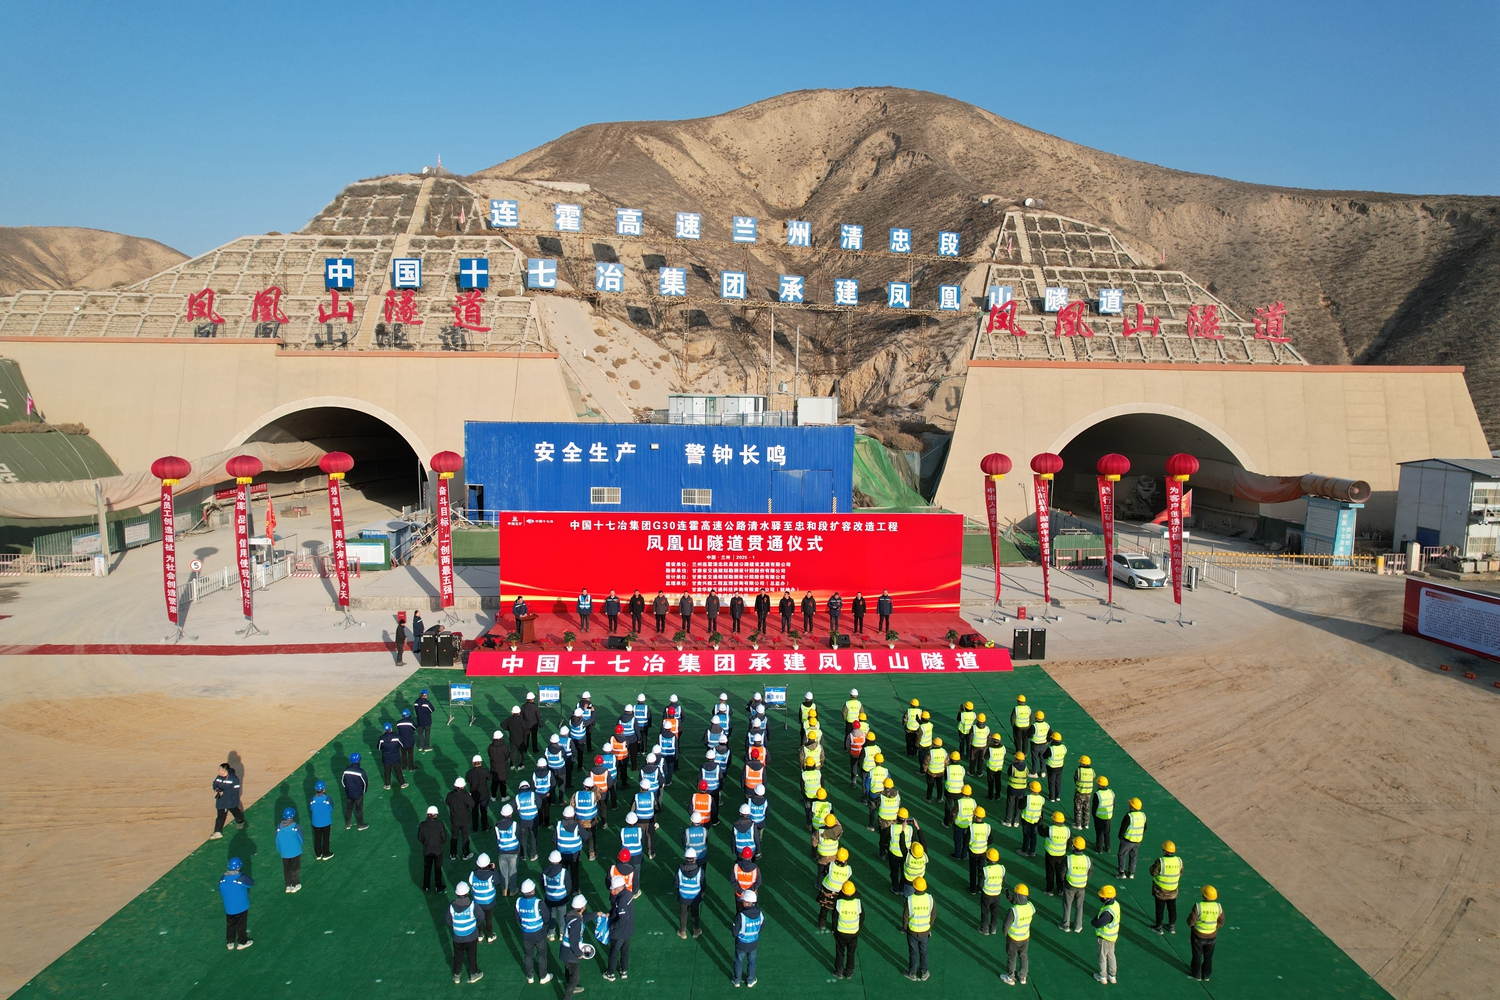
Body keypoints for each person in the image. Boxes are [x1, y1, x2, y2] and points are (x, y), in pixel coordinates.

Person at [516, 879, 553, 984]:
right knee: (542, 955)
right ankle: (543, 976)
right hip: (539, 933)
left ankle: (530, 976)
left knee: (528, 955)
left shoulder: (518, 901)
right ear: (533, 890)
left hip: (526, 934)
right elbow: (546, 917)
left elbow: (517, 917)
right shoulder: (538, 903)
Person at [998, 883, 1034, 986]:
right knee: (1023, 956)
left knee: (1012, 958)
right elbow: (1021, 906)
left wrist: (1005, 934)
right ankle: (1023, 976)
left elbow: (1006, 926)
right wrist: (1011, 900)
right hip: (1025, 938)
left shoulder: (1013, 911)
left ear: (1017, 895)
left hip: (1013, 939)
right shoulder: (1030, 906)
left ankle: (1010, 977)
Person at [449, 882, 484, 984]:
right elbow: (481, 917)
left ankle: (456, 975)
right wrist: (474, 925)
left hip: (457, 937)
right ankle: (473, 973)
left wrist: (456, 926)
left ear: (456, 893)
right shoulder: (473, 905)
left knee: (458, 955)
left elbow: (448, 920)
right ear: (468, 893)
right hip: (471, 936)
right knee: (472, 955)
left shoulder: (451, 906)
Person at [1187, 885, 1224, 981]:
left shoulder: (1198, 906)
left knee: (1197, 955)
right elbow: (1221, 921)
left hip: (1198, 935)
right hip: (1212, 936)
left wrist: (1192, 926)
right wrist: (1214, 927)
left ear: (1204, 896)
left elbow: (1191, 921)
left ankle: (1196, 974)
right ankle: (1206, 975)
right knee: (1208, 956)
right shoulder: (1218, 907)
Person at [902, 875, 934, 981]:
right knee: (923, 951)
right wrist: (929, 926)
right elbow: (933, 914)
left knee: (913, 952)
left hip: (912, 931)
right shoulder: (930, 898)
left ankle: (912, 973)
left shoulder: (910, 900)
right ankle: (924, 972)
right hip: (925, 931)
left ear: (914, 887)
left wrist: (905, 928)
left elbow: (905, 916)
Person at [603, 875, 635, 981]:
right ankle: (624, 970)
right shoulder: (628, 894)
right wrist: (610, 912)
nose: (613, 891)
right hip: (627, 931)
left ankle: (610, 973)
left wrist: (613, 926)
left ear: (620, 887)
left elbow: (624, 917)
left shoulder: (621, 899)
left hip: (619, 933)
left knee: (613, 953)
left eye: (614, 889)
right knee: (625, 951)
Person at [218, 857, 254, 951]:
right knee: (241, 924)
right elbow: (251, 883)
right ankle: (242, 942)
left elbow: (220, 889)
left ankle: (230, 942)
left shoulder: (222, 879)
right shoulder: (241, 878)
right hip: (241, 906)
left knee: (230, 924)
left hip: (229, 908)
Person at [1149, 840, 1183, 934]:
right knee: (1172, 908)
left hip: (1160, 890)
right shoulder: (1179, 861)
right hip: (1173, 890)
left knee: (1160, 909)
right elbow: (1180, 872)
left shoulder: (1161, 861)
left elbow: (1153, 872)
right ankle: (1171, 926)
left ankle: (1159, 927)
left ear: (1164, 851)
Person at [732, 889, 763, 987]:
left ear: (747, 903)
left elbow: (734, 932)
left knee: (739, 961)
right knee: (752, 962)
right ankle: (750, 980)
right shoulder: (760, 913)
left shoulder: (741, 916)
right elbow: (761, 926)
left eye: (744, 901)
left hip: (741, 944)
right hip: (753, 943)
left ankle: (737, 980)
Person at [560, 894, 589, 996]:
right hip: (571, 954)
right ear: (583, 907)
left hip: (564, 951)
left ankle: (570, 986)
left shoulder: (571, 916)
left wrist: (595, 914)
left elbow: (583, 918)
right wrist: (579, 954)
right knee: (575, 978)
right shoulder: (576, 923)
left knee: (568, 971)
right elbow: (573, 943)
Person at [1091, 884, 1121, 985]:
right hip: (1113, 936)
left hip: (1105, 938)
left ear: (1107, 898)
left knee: (1102, 956)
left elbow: (1098, 923)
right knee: (1111, 955)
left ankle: (1102, 976)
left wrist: (1094, 922)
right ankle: (1112, 975)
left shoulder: (1107, 912)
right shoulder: (1115, 905)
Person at [816, 847, 851, 930]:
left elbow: (824, 873)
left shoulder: (830, 865)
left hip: (827, 890)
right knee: (836, 910)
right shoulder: (848, 869)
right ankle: (834, 927)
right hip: (839, 892)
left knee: (824, 908)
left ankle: (821, 924)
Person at [832, 880, 862, 978]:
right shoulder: (857, 902)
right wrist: (858, 928)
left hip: (841, 932)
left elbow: (834, 917)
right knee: (851, 953)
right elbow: (862, 916)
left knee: (840, 952)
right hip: (853, 932)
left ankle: (839, 971)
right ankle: (849, 972)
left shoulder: (839, 902)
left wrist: (834, 929)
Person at [1062, 836, 1092, 931]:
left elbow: (1062, 872)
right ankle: (1078, 926)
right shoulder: (1087, 859)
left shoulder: (1068, 859)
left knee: (1067, 905)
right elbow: (1090, 872)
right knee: (1079, 906)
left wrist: (1063, 881)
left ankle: (1065, 925)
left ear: (1074, 847)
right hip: (1082, 886)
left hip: (1070, 886)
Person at [887, 808, 920, 893]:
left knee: (894, 872)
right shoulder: (910, 829)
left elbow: (887, 840)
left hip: (893, 854)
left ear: (897, 817)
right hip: (905, 854)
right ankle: (901, 888)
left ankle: (895, 888)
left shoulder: (891, 828)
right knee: (904, 872)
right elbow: (914, 842)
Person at [676, 847, 705, 938]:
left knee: (683, 914)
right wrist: (702, 892)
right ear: (694, 859)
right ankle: (696, 930)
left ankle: (683, 931)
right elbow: (703, 883)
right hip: (695, 897)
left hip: (683, 896)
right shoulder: (700, 871)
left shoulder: (680, 870)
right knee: (695, 913)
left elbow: (676, 883)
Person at [210, 762, 245, 839]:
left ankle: (240, 821)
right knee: (220, 816)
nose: (218, 771)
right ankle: (217, 832)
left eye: (219, 770)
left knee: (235, 811)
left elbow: (235, 791)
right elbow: (214, 784)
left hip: (231, 801)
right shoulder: (219, 777)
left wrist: (224, 793)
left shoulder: (234, 779)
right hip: (221, 801)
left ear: (224, 771)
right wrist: (217, 789)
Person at [544, 851, 573, 938]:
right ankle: (562, 933)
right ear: (560, 860)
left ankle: (551, 933)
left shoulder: (545, 871)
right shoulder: (564, 872)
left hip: (549, 899)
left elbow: (542, 885)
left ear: (550, 860)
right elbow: (568, 886)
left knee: (551, 916)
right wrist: (566, 894)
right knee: (562, 916)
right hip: (562, 899)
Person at [470, 854, 498, 942]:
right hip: (489, 901)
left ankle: (479, 935)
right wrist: (494, 870)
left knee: (479, 918)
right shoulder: (491, 874)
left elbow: (470, 882)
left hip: (477, 901)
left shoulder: (472, 874)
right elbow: (497, 882)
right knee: (488, 919)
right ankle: (490, 936)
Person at [418, 804, 447, 891]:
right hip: (438, 850)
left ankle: (426, 886)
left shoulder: (422, 825)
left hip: (427, 850)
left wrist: (426, 843)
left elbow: (419, 837)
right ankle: (438, 886)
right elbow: (444, 838)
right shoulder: (439, 825)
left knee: (427, 869)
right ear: (435, 815)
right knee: (437, 868)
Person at [275, 807, 303, 892]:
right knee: (295, 869)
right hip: (295, 851)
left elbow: (277, 840)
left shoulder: (279, 828)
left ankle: (288, 885)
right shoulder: (296, 827)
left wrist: (280, 850)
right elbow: (301, 839)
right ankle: (295, 884)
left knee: (287, 869)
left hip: (284, 853)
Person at [494, 803, 521, 894]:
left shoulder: (497, 826)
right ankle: (512, 890)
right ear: (511, 814)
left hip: (502, 851)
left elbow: (497, 838)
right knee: (512, 871)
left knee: (503, 871)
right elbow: (519, 836)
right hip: (513, 851)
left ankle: (504, 889)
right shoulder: (514, 825)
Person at [978, 848, 1006, 934]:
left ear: (988, 859)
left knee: (985, 912)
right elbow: (1003, 881)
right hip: (997, 894)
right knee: (995, 912)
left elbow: (980, 884)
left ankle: (984, 929)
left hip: (987, 894)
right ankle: (993, 928)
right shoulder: (1002, 868)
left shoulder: (985, 870)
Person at [1118, 797, 1146, 879]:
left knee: (1122, 854)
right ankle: (1131, 873)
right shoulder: (1143, 815)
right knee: (1133, 856)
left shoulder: (1129, 816)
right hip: (1137, 841)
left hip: (1128, 840)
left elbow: (1123, 828)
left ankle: (1121, 872)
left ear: (1132, 807)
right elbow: (1145, 827)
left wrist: (1120, 837)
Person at [447, 777, 474, 861]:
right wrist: (469, 797)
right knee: (465, 837)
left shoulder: (450, 795)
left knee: (454, 837)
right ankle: (465, 854)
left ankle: (453, 854)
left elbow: (447, 802)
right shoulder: (465, 795)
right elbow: (472, 805)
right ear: (463, 786)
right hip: (465, 820)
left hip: (454, 820)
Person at [966, 805, 993, 892]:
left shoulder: (971, 827)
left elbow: (966, 840)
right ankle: (980, 887)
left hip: (973, 852)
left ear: (975, 816)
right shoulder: (988, 827)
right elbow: (990, 840)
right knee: (981, 871)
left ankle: (972, 889)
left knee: (973, 871)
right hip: (983, 852)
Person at [1044, 810, 1070, 895]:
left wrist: (1040, 822)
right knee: (1060, 873)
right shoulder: (1067, 830)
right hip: (1061, 855)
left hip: (1051, 855)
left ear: (1054, 821)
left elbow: (1041, 832)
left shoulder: (1050, 829)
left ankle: (1049, 889)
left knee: (1050, 872)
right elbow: (1069, 842)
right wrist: (1064, 850)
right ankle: (1060, 889)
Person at [342, 752, 369, 831]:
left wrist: (347, 789)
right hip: (358, 794)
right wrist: (363, 791)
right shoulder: (361, 771)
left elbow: (343, 781)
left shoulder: (346, 770)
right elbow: (365, 783)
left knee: (349, 809)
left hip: (349, 794)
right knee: (359, 810)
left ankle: (348, 824)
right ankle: (360, 825)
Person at [309, 780, 334, 860]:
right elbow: (331, 808)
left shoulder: (312, 799)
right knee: (326, 838)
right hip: (326, 822)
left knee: (317, 838)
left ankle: (318, 854)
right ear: (324, 789)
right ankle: (326, 853)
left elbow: (311, 808)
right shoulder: (328, 799)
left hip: (316, 822)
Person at [1019, 781, 1044, 856]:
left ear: (1031, 789)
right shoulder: (1042, 799)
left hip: (1026, 820)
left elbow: (1021, 807)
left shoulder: (1027, 798)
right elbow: (1041, 809)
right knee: (1034, 836)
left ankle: (1024, 851)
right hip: (1036, 821)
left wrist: (1020, 800)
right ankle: (1032, 851)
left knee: (1026, 836)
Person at [378, 722, 404, 790]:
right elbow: (401, 745)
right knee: (398, 770)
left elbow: (379, 748)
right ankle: (402, 783)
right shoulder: (396, 737)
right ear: (391, 729)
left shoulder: (381, 739)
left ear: (384, 730)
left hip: (386, 758)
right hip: (395, 757)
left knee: (387, 771)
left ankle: (387, 785)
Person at [1093, 776, 1115, 852]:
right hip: (1108, 816)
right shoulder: (1111, 792)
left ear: (1099, 785)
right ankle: (1108, 847)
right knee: (1107, 833)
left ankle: (1099, 848)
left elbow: (1094, 807)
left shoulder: (1097, 794)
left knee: (1099, 833)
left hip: (1099, 817)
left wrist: (1094, 816)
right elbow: (1113, 805)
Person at [1073, 754, 1095, 828]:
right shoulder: (1092, 771)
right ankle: (1086, 824)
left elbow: (1075, 778)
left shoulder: (1079, 770)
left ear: (1082, 763)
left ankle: (1078, 824)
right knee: (1086, 808)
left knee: (1078, 808)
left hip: (1080, 792)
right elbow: (1093, 777)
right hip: (1088, 792)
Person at [1045, 730, 1068, 801]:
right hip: (1060, 767)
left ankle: (1052, 797)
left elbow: (1044, 756)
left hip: (1051, 767)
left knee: (1051, 782)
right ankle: (1057, 796)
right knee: (1058, 782)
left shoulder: (1051, 749)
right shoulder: (1063, 747)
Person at [487, 730, 510, 801]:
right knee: (502, 783)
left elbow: (489, 755)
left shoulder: (490, 747)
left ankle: (493, 796)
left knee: (494, 783)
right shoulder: (504, 747)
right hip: (502, 768)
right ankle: (503, 796)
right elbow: (507, 756)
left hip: (493, 767)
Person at [1027, 710, 1050, 777]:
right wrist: (1047, 740)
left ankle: (1034, 772)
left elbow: (1028, 735)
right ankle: (1043, 772)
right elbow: (1051, 734)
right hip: (1044, 744)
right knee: (1043, 758)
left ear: (1036, 717)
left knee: (1035, 758)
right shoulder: (1046, 725)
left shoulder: (1034, 726)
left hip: (1035, 745)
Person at [414, 688, 435, 753]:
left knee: (420, 733)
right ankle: (426, 746)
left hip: (419, 720)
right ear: (426, 695)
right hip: (427, 721)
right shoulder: (427, 703)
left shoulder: (416, 702)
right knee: (427, 734)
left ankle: (420, 746)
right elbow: (432, 710)